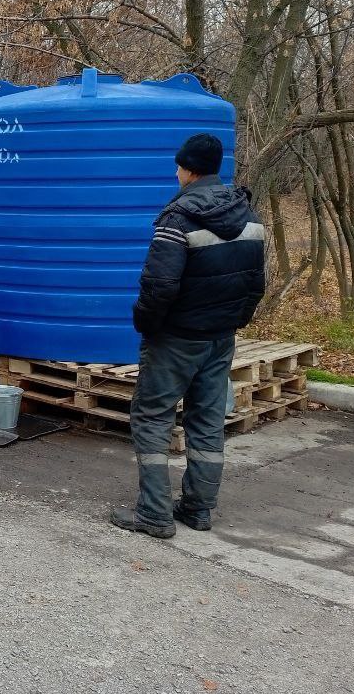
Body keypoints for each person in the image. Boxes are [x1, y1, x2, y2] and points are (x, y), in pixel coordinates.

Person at [111, 133, 266, 539]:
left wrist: (147, 325)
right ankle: (198, 509)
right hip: (220, 338)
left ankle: (154, 514)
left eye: (179, 167)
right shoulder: (250, 216)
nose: (176, 173)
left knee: (151, 418)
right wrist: (233, 322)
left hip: (176, 338)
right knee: (207, 421)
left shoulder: (178, 218)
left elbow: (158, 286)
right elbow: (256, 283)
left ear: (189, 169)